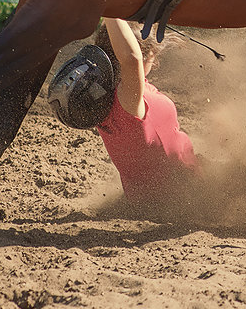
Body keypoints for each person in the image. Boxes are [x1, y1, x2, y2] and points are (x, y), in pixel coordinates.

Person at [47, 18, 200, 207]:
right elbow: (131, 58)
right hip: (185, 193)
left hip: (153, 194)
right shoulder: (127, 99)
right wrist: (111, 9)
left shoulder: (102, 97)